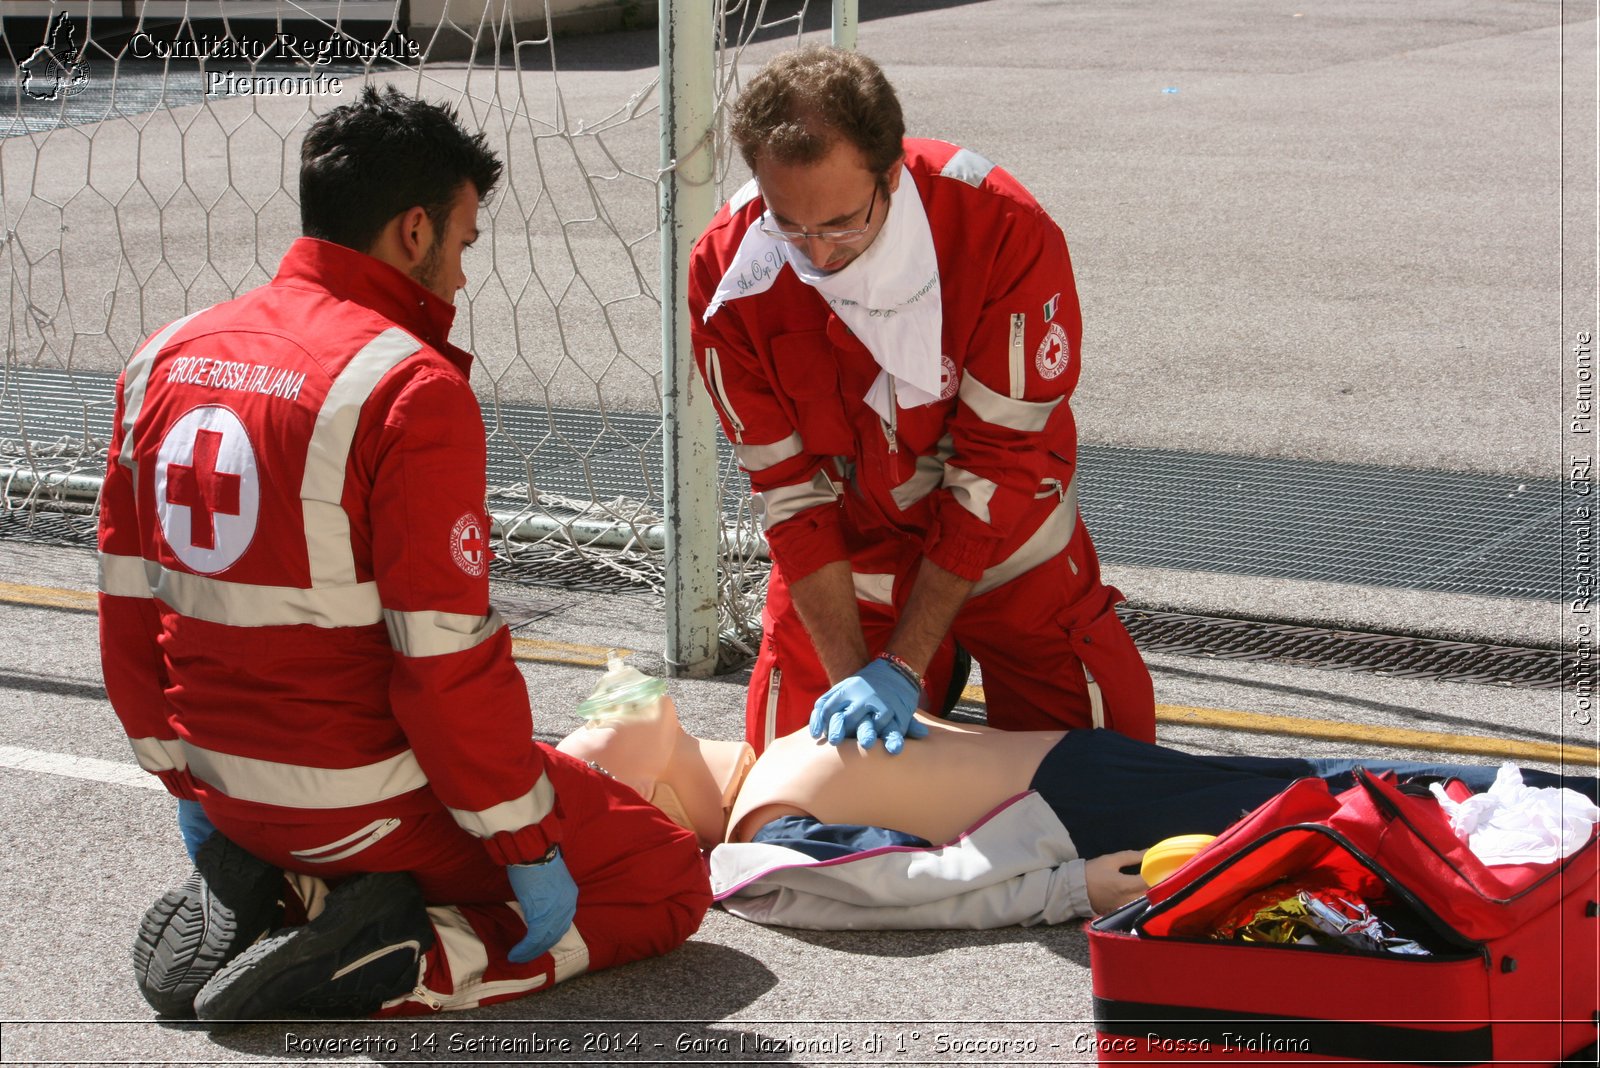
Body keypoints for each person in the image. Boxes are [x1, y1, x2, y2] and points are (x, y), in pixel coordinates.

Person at [99, 86, 710, 1023]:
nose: (462, 280)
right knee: (662, 874)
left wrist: (183, 780)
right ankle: (403, 957)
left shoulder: (162, 356)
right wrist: (524, 841)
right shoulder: (407, 387)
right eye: (464, 244)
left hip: (218, 788)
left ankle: (283, 887)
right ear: (414, 230)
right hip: (361, 799)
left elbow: (128, 606)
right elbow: (443, 664)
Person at [688, 44, 1154, 758]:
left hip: (1007, 538)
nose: (818, 255)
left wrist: (901, 666)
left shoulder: (1000, 229)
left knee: (1109, 780)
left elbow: (999, 466)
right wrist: (857, 682)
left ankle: (940, 659)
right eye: (790, 225)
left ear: (894, 174)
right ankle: (921, 671)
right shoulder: (727, 271)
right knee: (799, 788)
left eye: (843, 223)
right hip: (852, 550)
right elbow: (788, 492)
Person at [553, 679, 1599, 930]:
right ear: (642, 794)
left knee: (1324, 789)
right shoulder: (756, 847)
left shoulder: (756, 759)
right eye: (607, 716)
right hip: (1077, 812)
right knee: (1343, 803)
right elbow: (919, 888)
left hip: (1077, 771)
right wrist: (1073, 887)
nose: (615, 692)